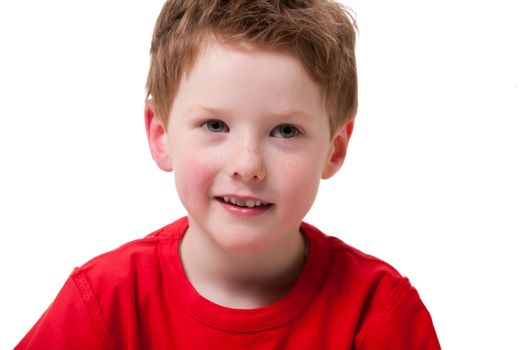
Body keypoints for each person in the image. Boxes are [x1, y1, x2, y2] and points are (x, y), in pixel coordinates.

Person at [16, 0, 440, 349]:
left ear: (335, 149)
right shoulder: (105, 304)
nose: (248, 165)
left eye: (286, 131)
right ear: (161, 134)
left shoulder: (379, 314)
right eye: (215, 125)